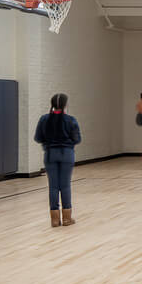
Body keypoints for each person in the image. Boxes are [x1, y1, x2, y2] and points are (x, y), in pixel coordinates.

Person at [33, 93, 82, 227]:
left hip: (50, 154)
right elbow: (77, 139)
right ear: (66, 105)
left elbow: (37, 138)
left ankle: (54, 219)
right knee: (65, 186)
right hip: (66, 154)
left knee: (53, 186)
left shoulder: (44, 119)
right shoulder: (71, 120)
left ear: (52, 104)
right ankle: (67, 218)